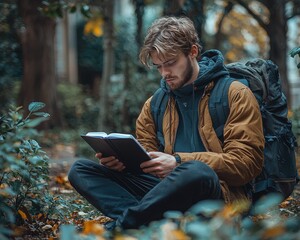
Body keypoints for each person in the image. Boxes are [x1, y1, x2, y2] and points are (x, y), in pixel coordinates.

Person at [68, 16, 264, 230]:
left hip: (219, 197)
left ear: (193, 52)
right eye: (158, 66)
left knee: (197, 171)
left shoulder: (235, 94)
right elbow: (147, 164)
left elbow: (246, 164)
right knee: (80, 169)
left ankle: (122, 226)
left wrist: (178, 161)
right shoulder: (154, 105)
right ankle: (145, 222)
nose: (164, 73)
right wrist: (122, 166)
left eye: (170, 63)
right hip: (164, 195)